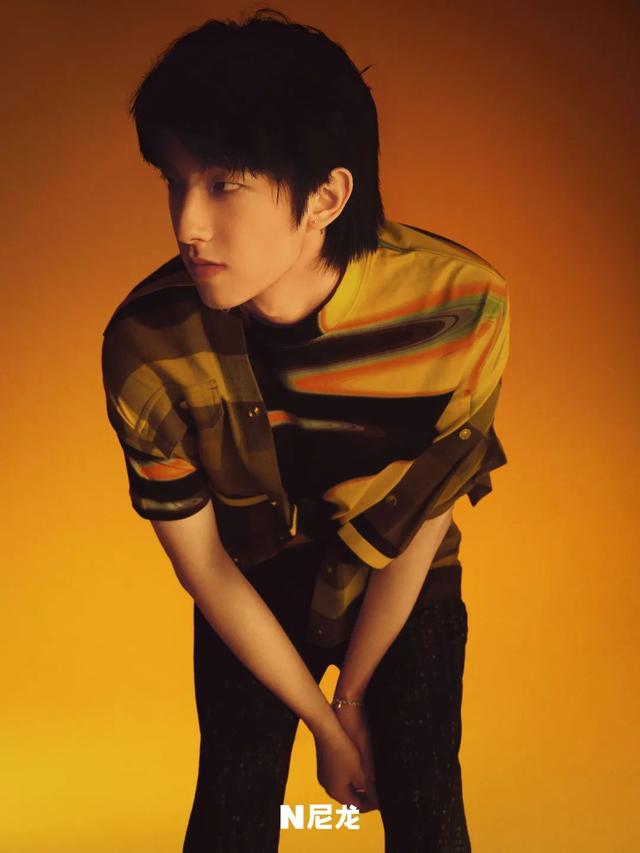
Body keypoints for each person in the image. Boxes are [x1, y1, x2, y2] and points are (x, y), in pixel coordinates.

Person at [100, 8, 510, 851]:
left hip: (396, 579)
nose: (187, 223)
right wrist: (325, 723)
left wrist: (352, 694)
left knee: (430, 812)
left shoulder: (460, 309)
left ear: (326, 197)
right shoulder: (147, 345)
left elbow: (420, 523)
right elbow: (206, 566)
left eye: (224, 184)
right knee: (230, 813)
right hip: (251, 584)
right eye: (175, 181)